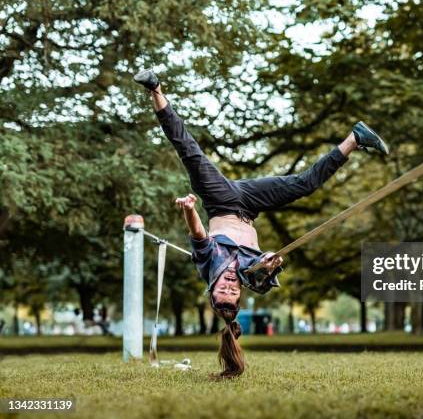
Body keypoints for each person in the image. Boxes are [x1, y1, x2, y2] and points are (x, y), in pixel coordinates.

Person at [134, 69, 389, 378]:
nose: (228, 287)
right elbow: (271, 264)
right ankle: (355, 138)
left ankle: (155, 89)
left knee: (189, 152)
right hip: (252, 204)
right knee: (304, 185)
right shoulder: (254, 278)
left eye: (222, 293)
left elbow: (198, 233)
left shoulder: (208, 264)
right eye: (233, 293)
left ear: (212, 291)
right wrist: (269, 263)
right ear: (240, 295)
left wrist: (189, 208)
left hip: (221, 200)